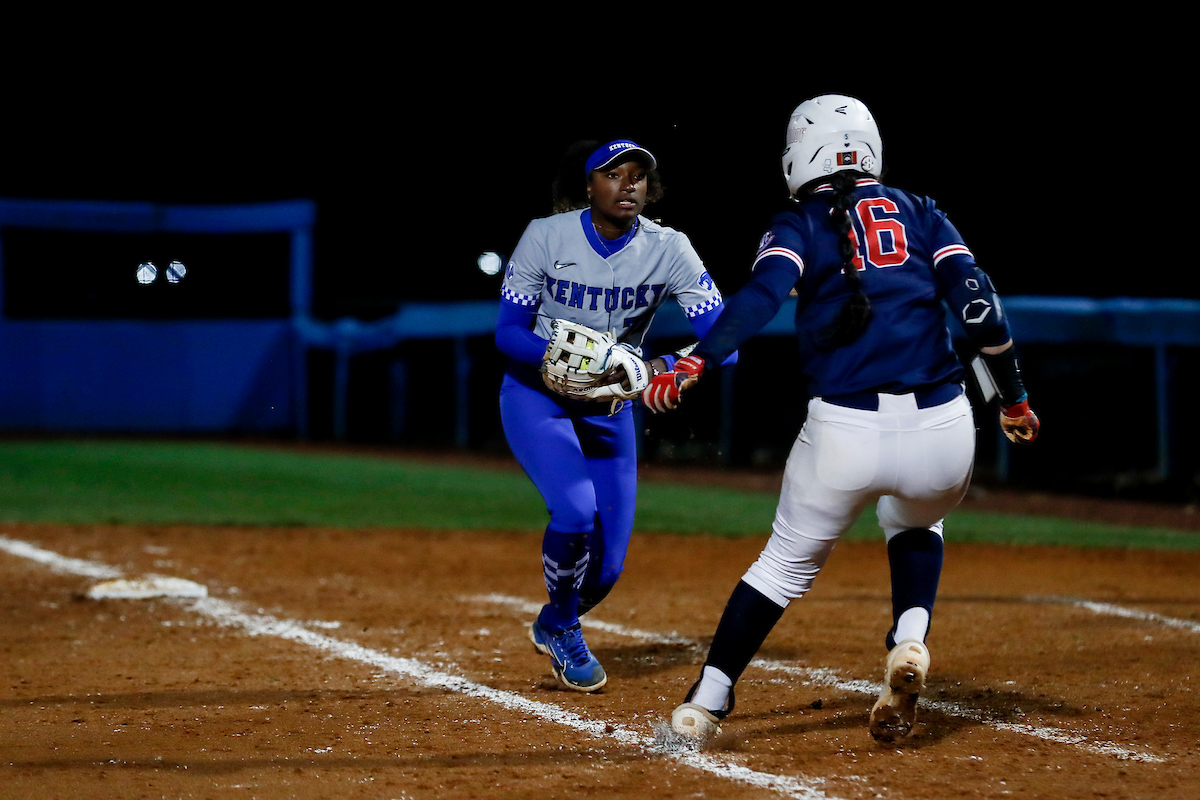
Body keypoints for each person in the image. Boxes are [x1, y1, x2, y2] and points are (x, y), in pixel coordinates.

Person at [641, 95, 1040, 742]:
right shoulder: (921, 211)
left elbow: (760, 296)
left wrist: (696, 362)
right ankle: (909, 640)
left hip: (846, 432)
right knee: (916, 518)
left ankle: (706, 703)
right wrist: (1014, 398)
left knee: (780, 569)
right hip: (944, 430)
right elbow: (979, 309)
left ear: (802, 155)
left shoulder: (798, 222)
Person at [495, 138, 738, 693]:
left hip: (610, 408)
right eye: (613, 174)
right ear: (588, 186)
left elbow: (727, 339)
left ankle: (556, 619)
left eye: (638, 176)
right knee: (576, 510)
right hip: (539, 395)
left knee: (604, 572)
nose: (628, 184)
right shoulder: (545, 236)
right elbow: (508, 333)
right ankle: (565, 632)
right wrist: (579, 357)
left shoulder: (670, 248)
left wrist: (657, 366)